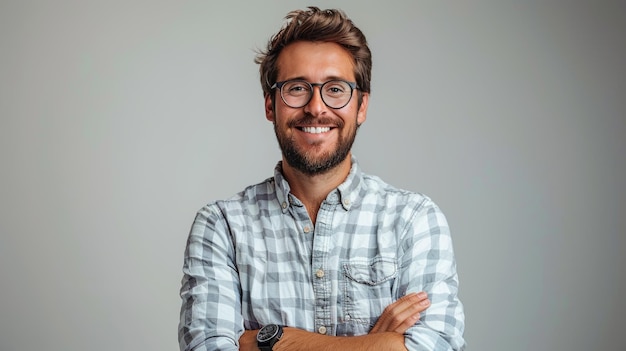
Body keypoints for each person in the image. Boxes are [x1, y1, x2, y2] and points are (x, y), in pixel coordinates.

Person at [178, 7, 465, 351]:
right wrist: (379, 343)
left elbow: (438, 346)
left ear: (361, 106)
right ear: (271, 105)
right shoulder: (222, 227)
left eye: (335, 89)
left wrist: (276, 341)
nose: (316, 107)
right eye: (297, 88)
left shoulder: (414, 220)